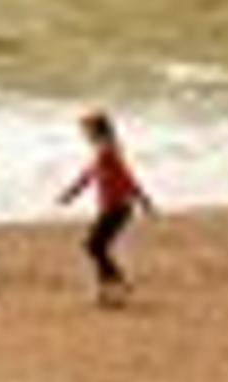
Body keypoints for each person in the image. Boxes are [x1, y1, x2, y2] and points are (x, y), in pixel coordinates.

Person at [56, 109, 158, 303]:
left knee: (93, 246)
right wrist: (70, 194)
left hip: (117, 208)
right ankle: (105, 292)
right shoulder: (104, 150)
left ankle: (118, 281)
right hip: (112, 207)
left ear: (96, 130)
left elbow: (126, 177)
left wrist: (144, 199)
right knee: (97, 247)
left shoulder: (107, 151)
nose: (84, 134)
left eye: (86, 129)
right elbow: (88, 176)